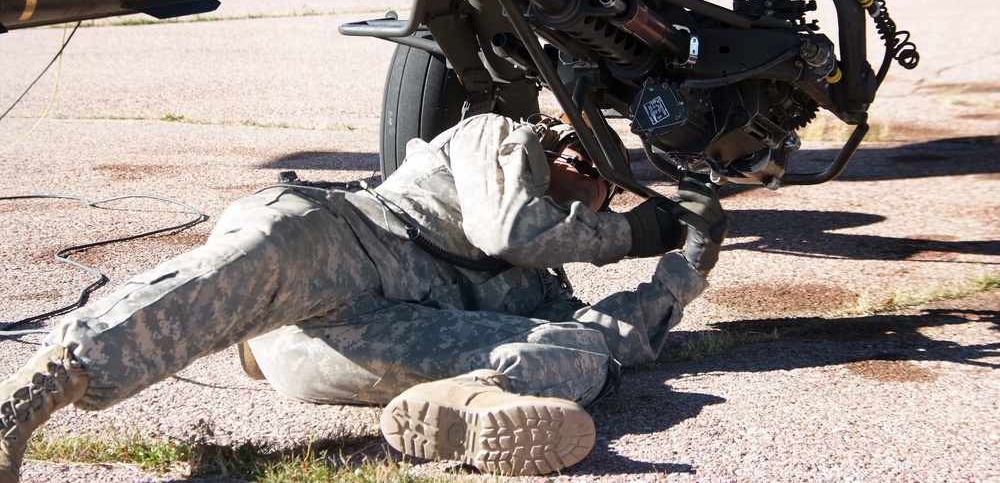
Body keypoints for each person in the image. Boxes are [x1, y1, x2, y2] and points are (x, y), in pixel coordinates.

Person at [0, 112, 728, 480]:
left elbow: (618, 335)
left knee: (583, 354)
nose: (582, 173)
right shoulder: (495, 137)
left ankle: (468, 401)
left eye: (599, 183)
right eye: (578, 152)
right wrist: (635, 234)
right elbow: (506, 225)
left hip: (356, 344)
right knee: (264, 251)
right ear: (554, 136)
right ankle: (48, 383)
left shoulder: (543, 284)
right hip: (346, 245)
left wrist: (688, 263)